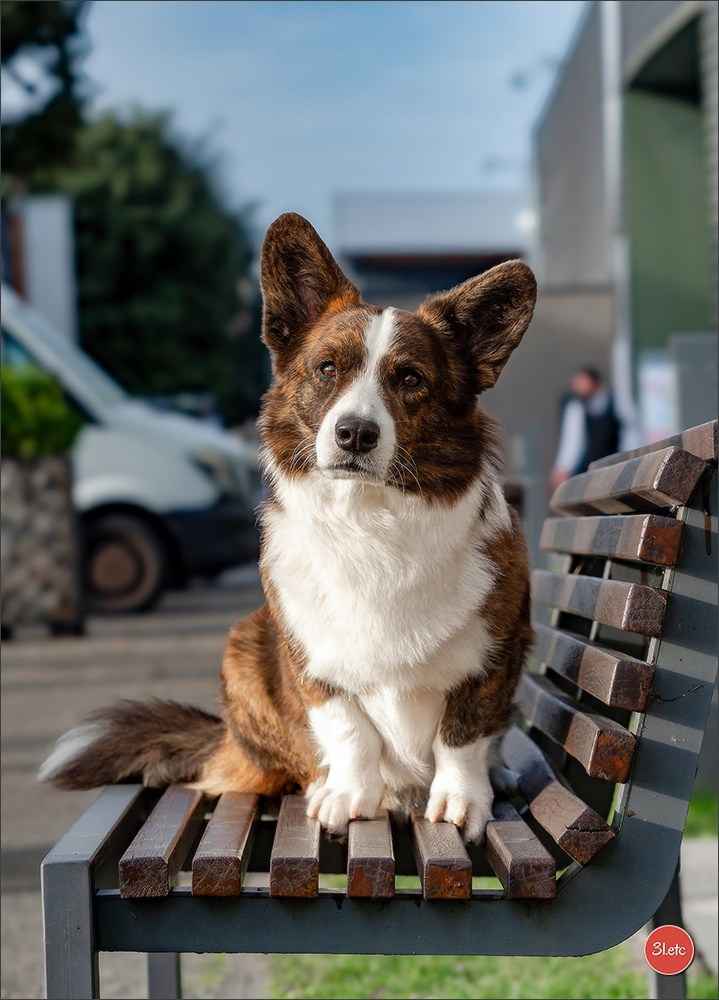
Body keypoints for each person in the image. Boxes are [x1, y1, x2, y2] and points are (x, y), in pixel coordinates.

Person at [550, 366, 621, 492]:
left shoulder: (614, 402)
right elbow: (572, 439)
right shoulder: (574, 405)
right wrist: (563, 468)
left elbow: (629, 433)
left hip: (612, 466)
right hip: (583, 470)